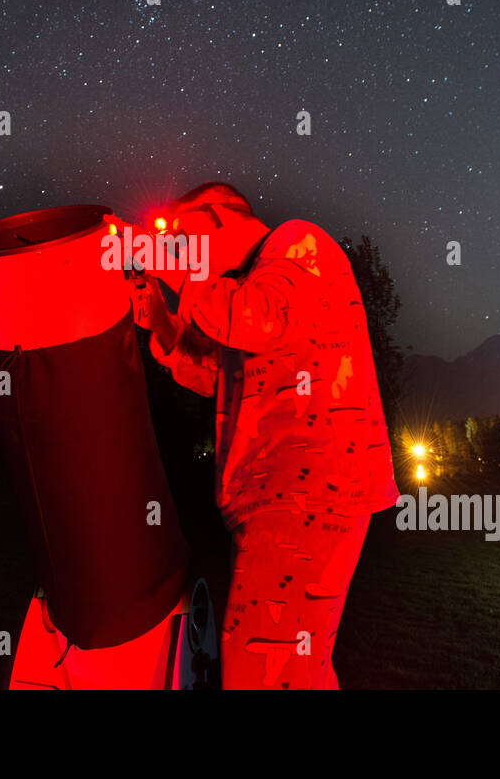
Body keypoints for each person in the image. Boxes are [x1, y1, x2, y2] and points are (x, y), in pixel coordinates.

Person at [111, 182, 400, 689]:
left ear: (218, 218)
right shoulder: (252, 284)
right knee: (295, 671)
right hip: (288, 493)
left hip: (304, 489)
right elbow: (212, 373)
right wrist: (155, 308)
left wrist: (165, 261)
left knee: (260, 668)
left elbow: (260, 318)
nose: (178, 250)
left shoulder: (298, 243)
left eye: (182, 236)